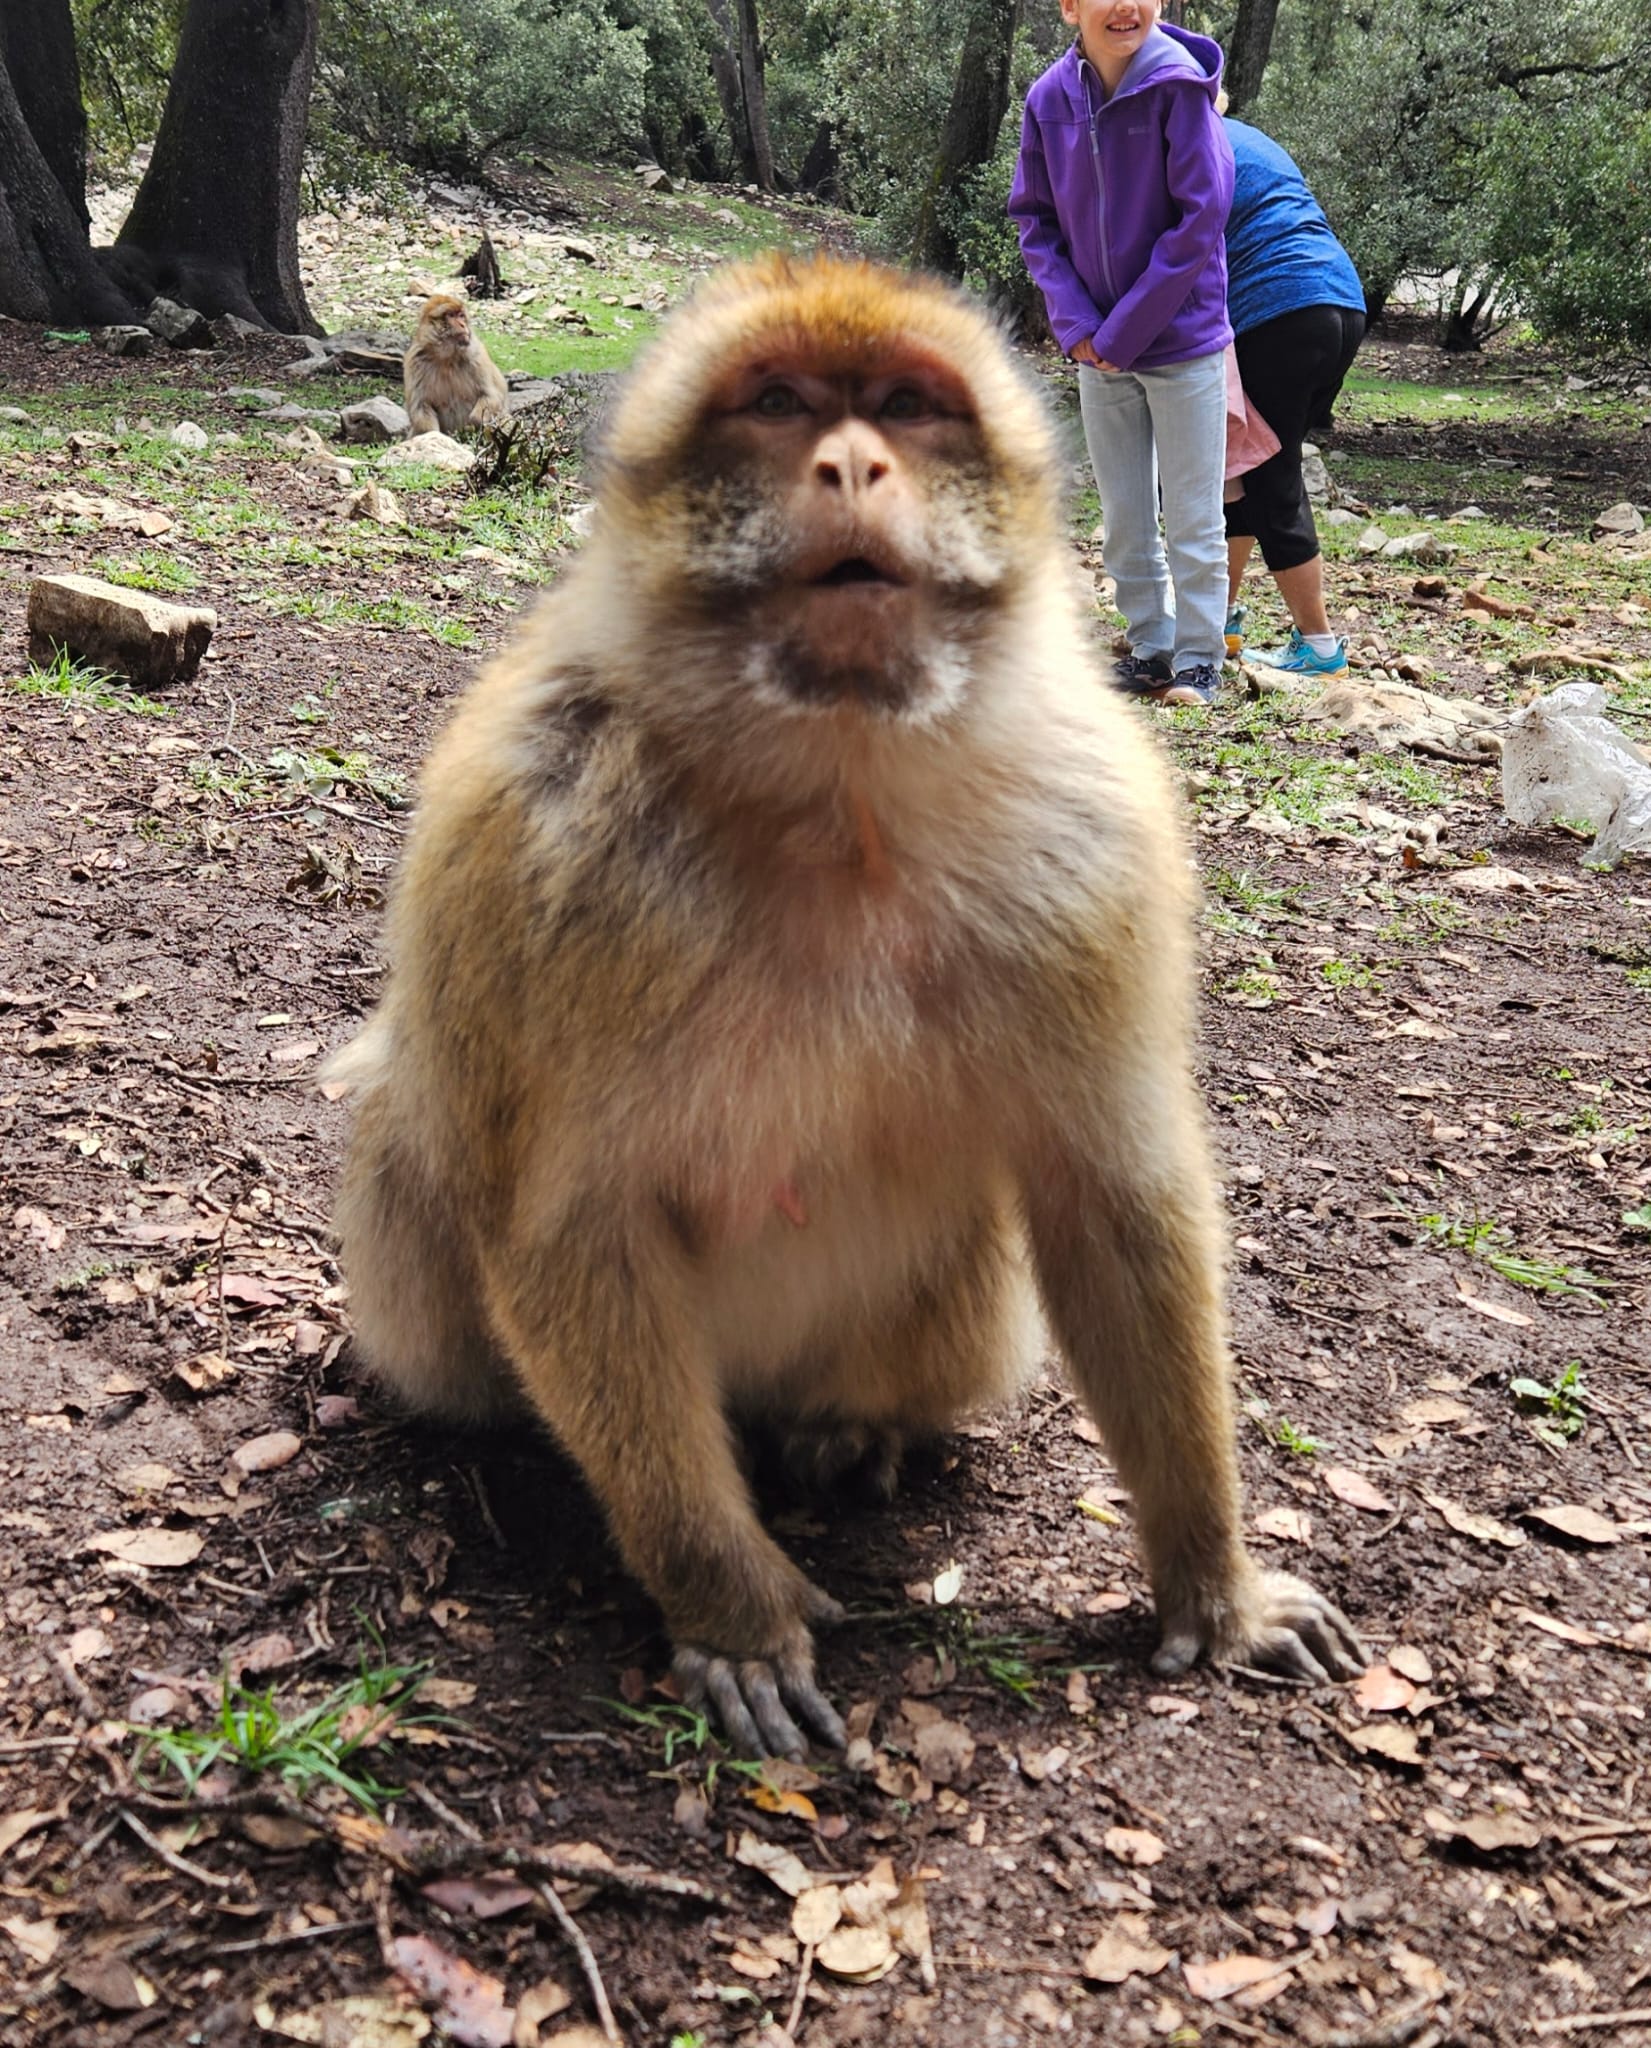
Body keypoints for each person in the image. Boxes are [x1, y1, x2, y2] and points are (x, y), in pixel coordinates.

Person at [1009, 0, 1233, 709]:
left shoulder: (1178, 86)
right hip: (1095, 347)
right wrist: (1075, 325)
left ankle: (1199, 660)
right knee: (1125, 513)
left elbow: (1201, 216)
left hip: (1182, 345)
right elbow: (1033, 219)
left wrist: (1120, 334)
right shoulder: (1048, 99)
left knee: (1194, 514)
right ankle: (1149, 647)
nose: (1125, 5)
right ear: (1070, 7)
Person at [1219, 117, 1367, 675]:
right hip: (1340, 303)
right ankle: (1221, 619)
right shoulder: (1248, 136)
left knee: (1271, 475)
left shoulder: (1191, 142)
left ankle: (1319, 644)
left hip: (1278, 308)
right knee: (1243, 462)